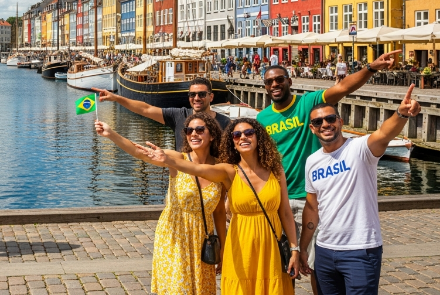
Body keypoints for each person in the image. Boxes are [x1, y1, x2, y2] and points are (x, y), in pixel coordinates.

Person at [257, 50, 399, 293]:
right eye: (269, 81)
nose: (275, 84)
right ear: (265, 87)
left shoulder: (309, 104)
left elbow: (343, 87)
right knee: (284, 264)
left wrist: (372, 68)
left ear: (289, 81)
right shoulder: (262, 118)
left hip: (309, 199)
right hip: (278, 200)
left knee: (315, 267)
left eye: (279, 79)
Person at [136, 118, 300, 294]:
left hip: (271, 245)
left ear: (259, 137)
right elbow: (198, 169)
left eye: (249, 133)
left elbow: (285, 212)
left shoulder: (276, 169)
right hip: (240, 244)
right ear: (233, 143)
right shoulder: (229, 171)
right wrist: (169, 160)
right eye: (237, 135)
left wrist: (294, 249)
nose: (243, 137)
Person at [299, 86, 421, 294]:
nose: (325, 124)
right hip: (325, 250)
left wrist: (401, 114)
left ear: (340, 121)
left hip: (360, 250)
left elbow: (384, 133)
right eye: (318, 122)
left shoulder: (360, 149)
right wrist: (303, 247)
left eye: (330, 119)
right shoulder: (312, 161)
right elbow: (312, 207)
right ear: (312, 128)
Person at [95, 112, 224, 294]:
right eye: (189, 130)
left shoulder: (220, 168)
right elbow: (141, 153)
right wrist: (111, 134)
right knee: (178, 288)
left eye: (200, 130)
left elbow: (219, 212)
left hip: (203, 240)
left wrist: (223, 249)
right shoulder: (177, 159)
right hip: (175, 234)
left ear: (212, 135)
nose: (193, 134)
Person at [93, 77, 231, 153]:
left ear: (211, 97)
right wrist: (116, 98)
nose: (196, 98)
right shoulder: (179, 116)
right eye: (192, 94)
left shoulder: (225, 122)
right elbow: (145, 109)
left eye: (201, 94)